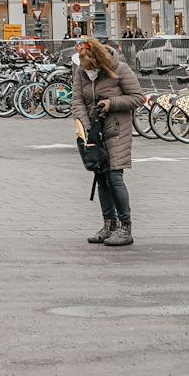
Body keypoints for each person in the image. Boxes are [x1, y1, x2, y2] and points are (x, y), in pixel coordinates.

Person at [72, 37, 147, 247]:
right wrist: (86, 127)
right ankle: (108, 225)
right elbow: (77, 100)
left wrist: (111, 103)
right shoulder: (81, 71)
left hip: (116, 130)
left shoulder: (120, 69)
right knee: (101, 177)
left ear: (101, 62)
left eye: (92, 69)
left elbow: (138, 98)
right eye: (85, 69)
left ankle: (125, 228)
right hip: (94, 132)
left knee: (114, 177)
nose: (88, 73)